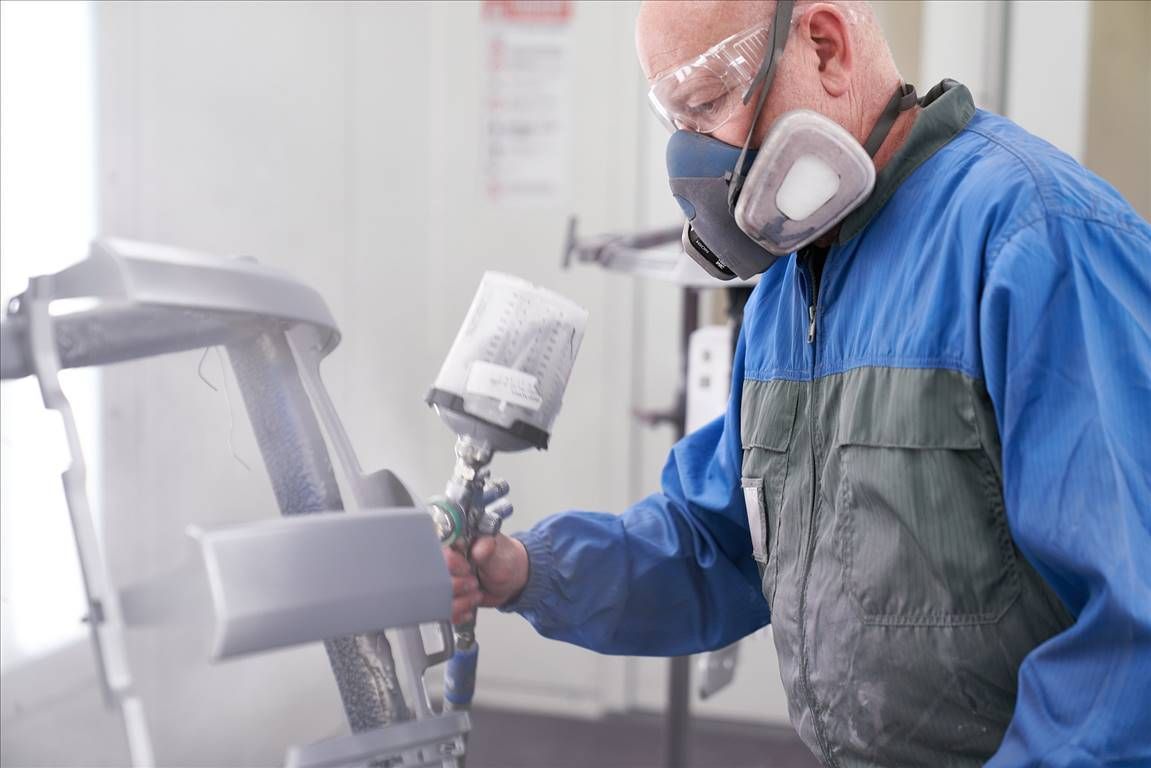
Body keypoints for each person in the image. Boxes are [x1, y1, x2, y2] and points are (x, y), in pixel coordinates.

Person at [444, 1, 1151, 765]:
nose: (691, 158)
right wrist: (524, 570)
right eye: (674, 120)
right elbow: (713, 545)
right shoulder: (790, 291)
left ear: (824, 46)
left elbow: (1128, 642)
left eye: (707, 103)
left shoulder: (1037, 240)